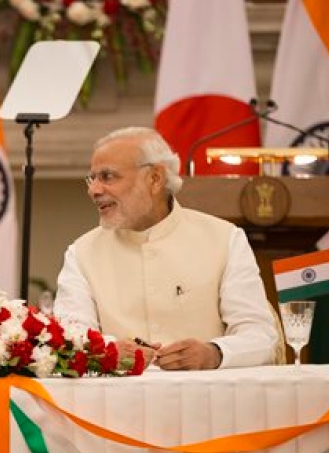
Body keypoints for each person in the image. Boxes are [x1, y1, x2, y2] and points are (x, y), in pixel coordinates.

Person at [53, 127, 281, 370]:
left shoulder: (224, 239)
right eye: (92, 178)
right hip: (116, 403)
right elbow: (69, 336)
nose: (94, 190)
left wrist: (214, 353)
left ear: (155, 178)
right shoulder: (82, 253)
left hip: (207, 401)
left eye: (108, 177)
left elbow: (261, 336)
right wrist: (108, 352)